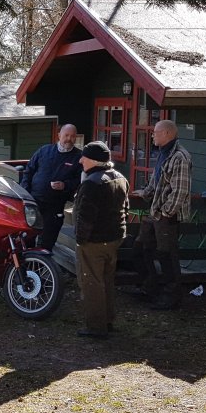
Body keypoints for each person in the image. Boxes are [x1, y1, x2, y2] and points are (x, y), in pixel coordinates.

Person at [133, 119, 193, 310]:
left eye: (156, 132)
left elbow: (180, 190)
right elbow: (156, 182)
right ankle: (150, 288)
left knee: (167, 256)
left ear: (167, 134)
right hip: (155, 212)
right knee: (141, 247)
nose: (153, 135)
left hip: (167, 216)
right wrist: (144, 193)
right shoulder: (163, 153)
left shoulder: (180, 157)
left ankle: (171, 296)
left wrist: (166, 213)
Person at [73, 142, 129, 338]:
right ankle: (107, 321)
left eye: (85, 157)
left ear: (94, 160)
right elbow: (126, 208)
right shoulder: (120, 178)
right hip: (114, 238)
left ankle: (96, 327)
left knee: (92, 283)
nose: (81, 160)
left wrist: (80, 240)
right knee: (106, 280)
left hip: (94, 241)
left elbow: (85, 217)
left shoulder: (92, 183)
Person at [20, 124, 83, 251]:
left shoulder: (78, 157)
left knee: (47, 242)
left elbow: (79, 181)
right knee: (27, 238)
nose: (69, 139)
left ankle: (42, 262)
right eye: (66, 135)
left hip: (55, 206)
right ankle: (26, 262)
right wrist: (25, 192)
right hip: (33, 202)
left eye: (72, 136)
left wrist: (65, 185)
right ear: (59, 135)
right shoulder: (45, 150)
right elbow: (29, 171)